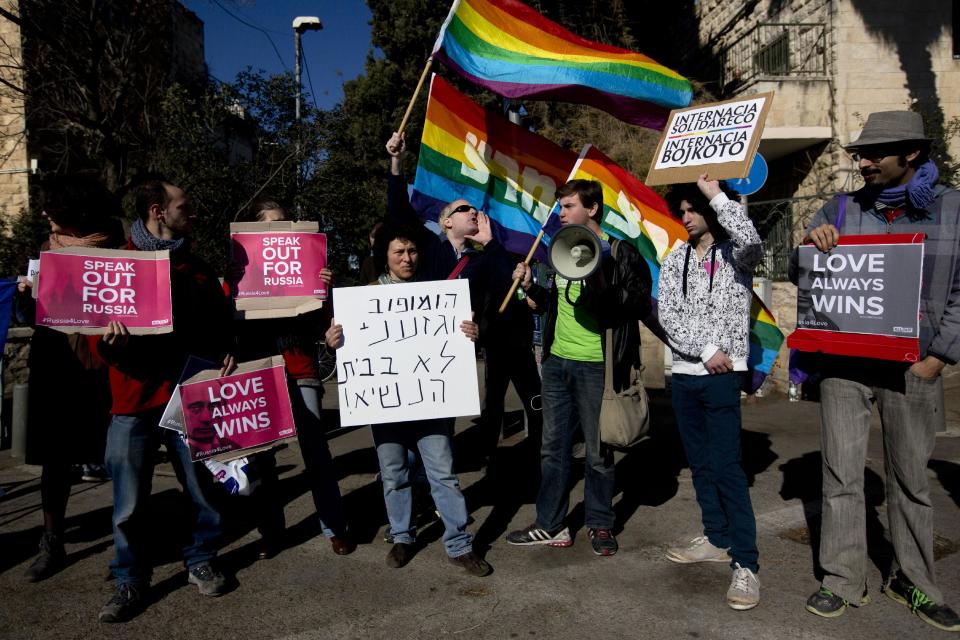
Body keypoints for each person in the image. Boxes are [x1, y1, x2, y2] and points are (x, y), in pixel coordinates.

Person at [790, 111, 960, 632]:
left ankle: (914, 582)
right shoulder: (840, 207)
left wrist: (939, 357)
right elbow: (808, 281)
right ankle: (841, 580)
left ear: (910, 154)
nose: (861, 163)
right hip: (845, 367)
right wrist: (811, 241)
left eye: (872, 155)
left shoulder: (953, 209)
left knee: (911, 480)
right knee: (841, 474)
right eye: (858, 155)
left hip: (916, 368)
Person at [94, 177, 237, 623]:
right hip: (132, 400)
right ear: (158, 210)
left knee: (202, 488)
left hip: (188, 394)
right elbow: (92, 330)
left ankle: (201, 556)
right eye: (183, 205)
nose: (190, 212)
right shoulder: (117, 265)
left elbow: (217, 322)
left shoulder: (195, 267)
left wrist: (224, 348)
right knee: (129, 501)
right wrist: (108, 342)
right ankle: (130, 577)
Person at [325, 222, 492, 577]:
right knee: (393, 473)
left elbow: (459, 339)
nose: (407, 258)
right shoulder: (365, 296)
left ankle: (459, 544)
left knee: (443, 474)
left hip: (431, 402)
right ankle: (402, 536)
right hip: (385, 403)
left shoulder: (439, 294)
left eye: (412, 251)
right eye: (398, 252)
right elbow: (347, 344)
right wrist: (334, 340)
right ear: (385, 257)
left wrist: (472, 333)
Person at [506, 179, 652, 556]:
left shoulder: (622, 254)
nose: (562, 214)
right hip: (557, 363)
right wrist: (529, 289)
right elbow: (554, 307)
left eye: (569, 206)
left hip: (597, 366)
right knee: (552, 448)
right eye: (561, 207)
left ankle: (600, 523)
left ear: (593, 209)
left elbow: (632, 305)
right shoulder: (561, 249)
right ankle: (550, 524)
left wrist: (597, 273)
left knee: (599, 451)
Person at [230, 198, 355, 559]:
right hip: (260, 370)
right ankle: (272, 532)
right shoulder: (242, 266)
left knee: (317, 451)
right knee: (264, 458)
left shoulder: (308, 265)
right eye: (271, 224)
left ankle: (335, 526)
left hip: (301, 368)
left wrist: (323, 289)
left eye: (285, 223)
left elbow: (323, 324)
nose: (280, 230)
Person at [659, 175, 762, 610]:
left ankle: (746, 564)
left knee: (727, 468)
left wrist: (715, 194)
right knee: (699, 465)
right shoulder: (675, 257)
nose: (684, 217)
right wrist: (705, 350)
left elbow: (752, 239)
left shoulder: (736, 253)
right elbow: (667, 312)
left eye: (691, 209)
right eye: (679, 211)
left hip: (722, 377)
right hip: (686, 372)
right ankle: (716, 538)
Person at [18, 174, 125, 583]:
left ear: (75, 213)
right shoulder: (47, 251)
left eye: (54, 208)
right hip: (56, 365)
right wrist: (29, 300)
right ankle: (52, 540)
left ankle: (128, 544)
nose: (45, 213)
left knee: (118, 456)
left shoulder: (118, 251)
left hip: (105, 364)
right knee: (55, 458)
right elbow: (36, 318)